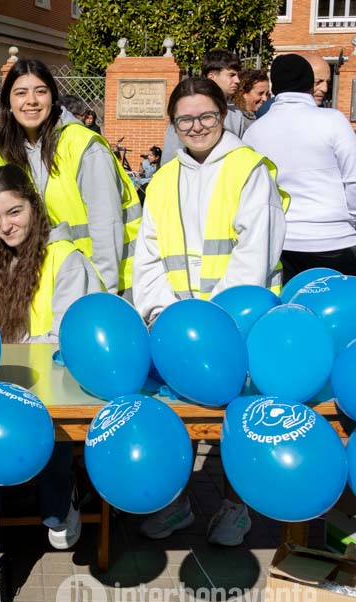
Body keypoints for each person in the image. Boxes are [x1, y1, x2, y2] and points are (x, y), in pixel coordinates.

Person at [135, 77, 287, 545]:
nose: (197, 126)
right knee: (180, 415)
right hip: (178, 322)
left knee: (235, 417)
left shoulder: (249, 169)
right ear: (174, 125)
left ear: (224, 115)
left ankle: (236, 506)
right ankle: (179, 505)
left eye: (207, 116)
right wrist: (162, 311)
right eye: (186, 119)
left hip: (238, 320)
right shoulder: (162, 180)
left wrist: (211, 319)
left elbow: (253, 254)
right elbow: (149, 256)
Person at [0, 164, 101, 602]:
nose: (5, 226)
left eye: (14, 211)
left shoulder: (65, 258)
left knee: (42, 427)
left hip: (50, 389)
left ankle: (62, 500)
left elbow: (68, 336)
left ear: (33, 205)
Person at [0, 58, 139, 297]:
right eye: (21, 93)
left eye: (40, 91)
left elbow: (107, 228)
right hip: (56, 286)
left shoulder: (84, 147)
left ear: (52, 98)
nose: (31, 101)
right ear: (9, 103)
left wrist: (103, 297)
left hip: (104, 286)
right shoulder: (11, 150)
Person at [244, 54, 356, 282]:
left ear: (275, 87)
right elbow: (353, 179)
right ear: (308, 84)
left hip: (280, 244)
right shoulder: (333, 121)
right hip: (333, 238)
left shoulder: (254, 132)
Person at [162, 50, 249, 161]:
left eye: (237, 75)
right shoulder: (187, 108)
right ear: (211, 77)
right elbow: (170, 157)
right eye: (231, 75)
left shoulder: (236, 115)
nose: (237, 80)